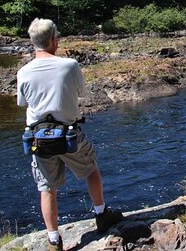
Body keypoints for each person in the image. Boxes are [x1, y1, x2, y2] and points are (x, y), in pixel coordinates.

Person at [17, 18, 123, 251]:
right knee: (91, 170)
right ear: (54, 39)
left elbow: (22, 102)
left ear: (33, 42)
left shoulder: (23, 72)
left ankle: (54, 240)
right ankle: (101, 214)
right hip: (69, 135)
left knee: (46, 189)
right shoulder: (69, 65)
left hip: (38, 137)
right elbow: (80, 93)